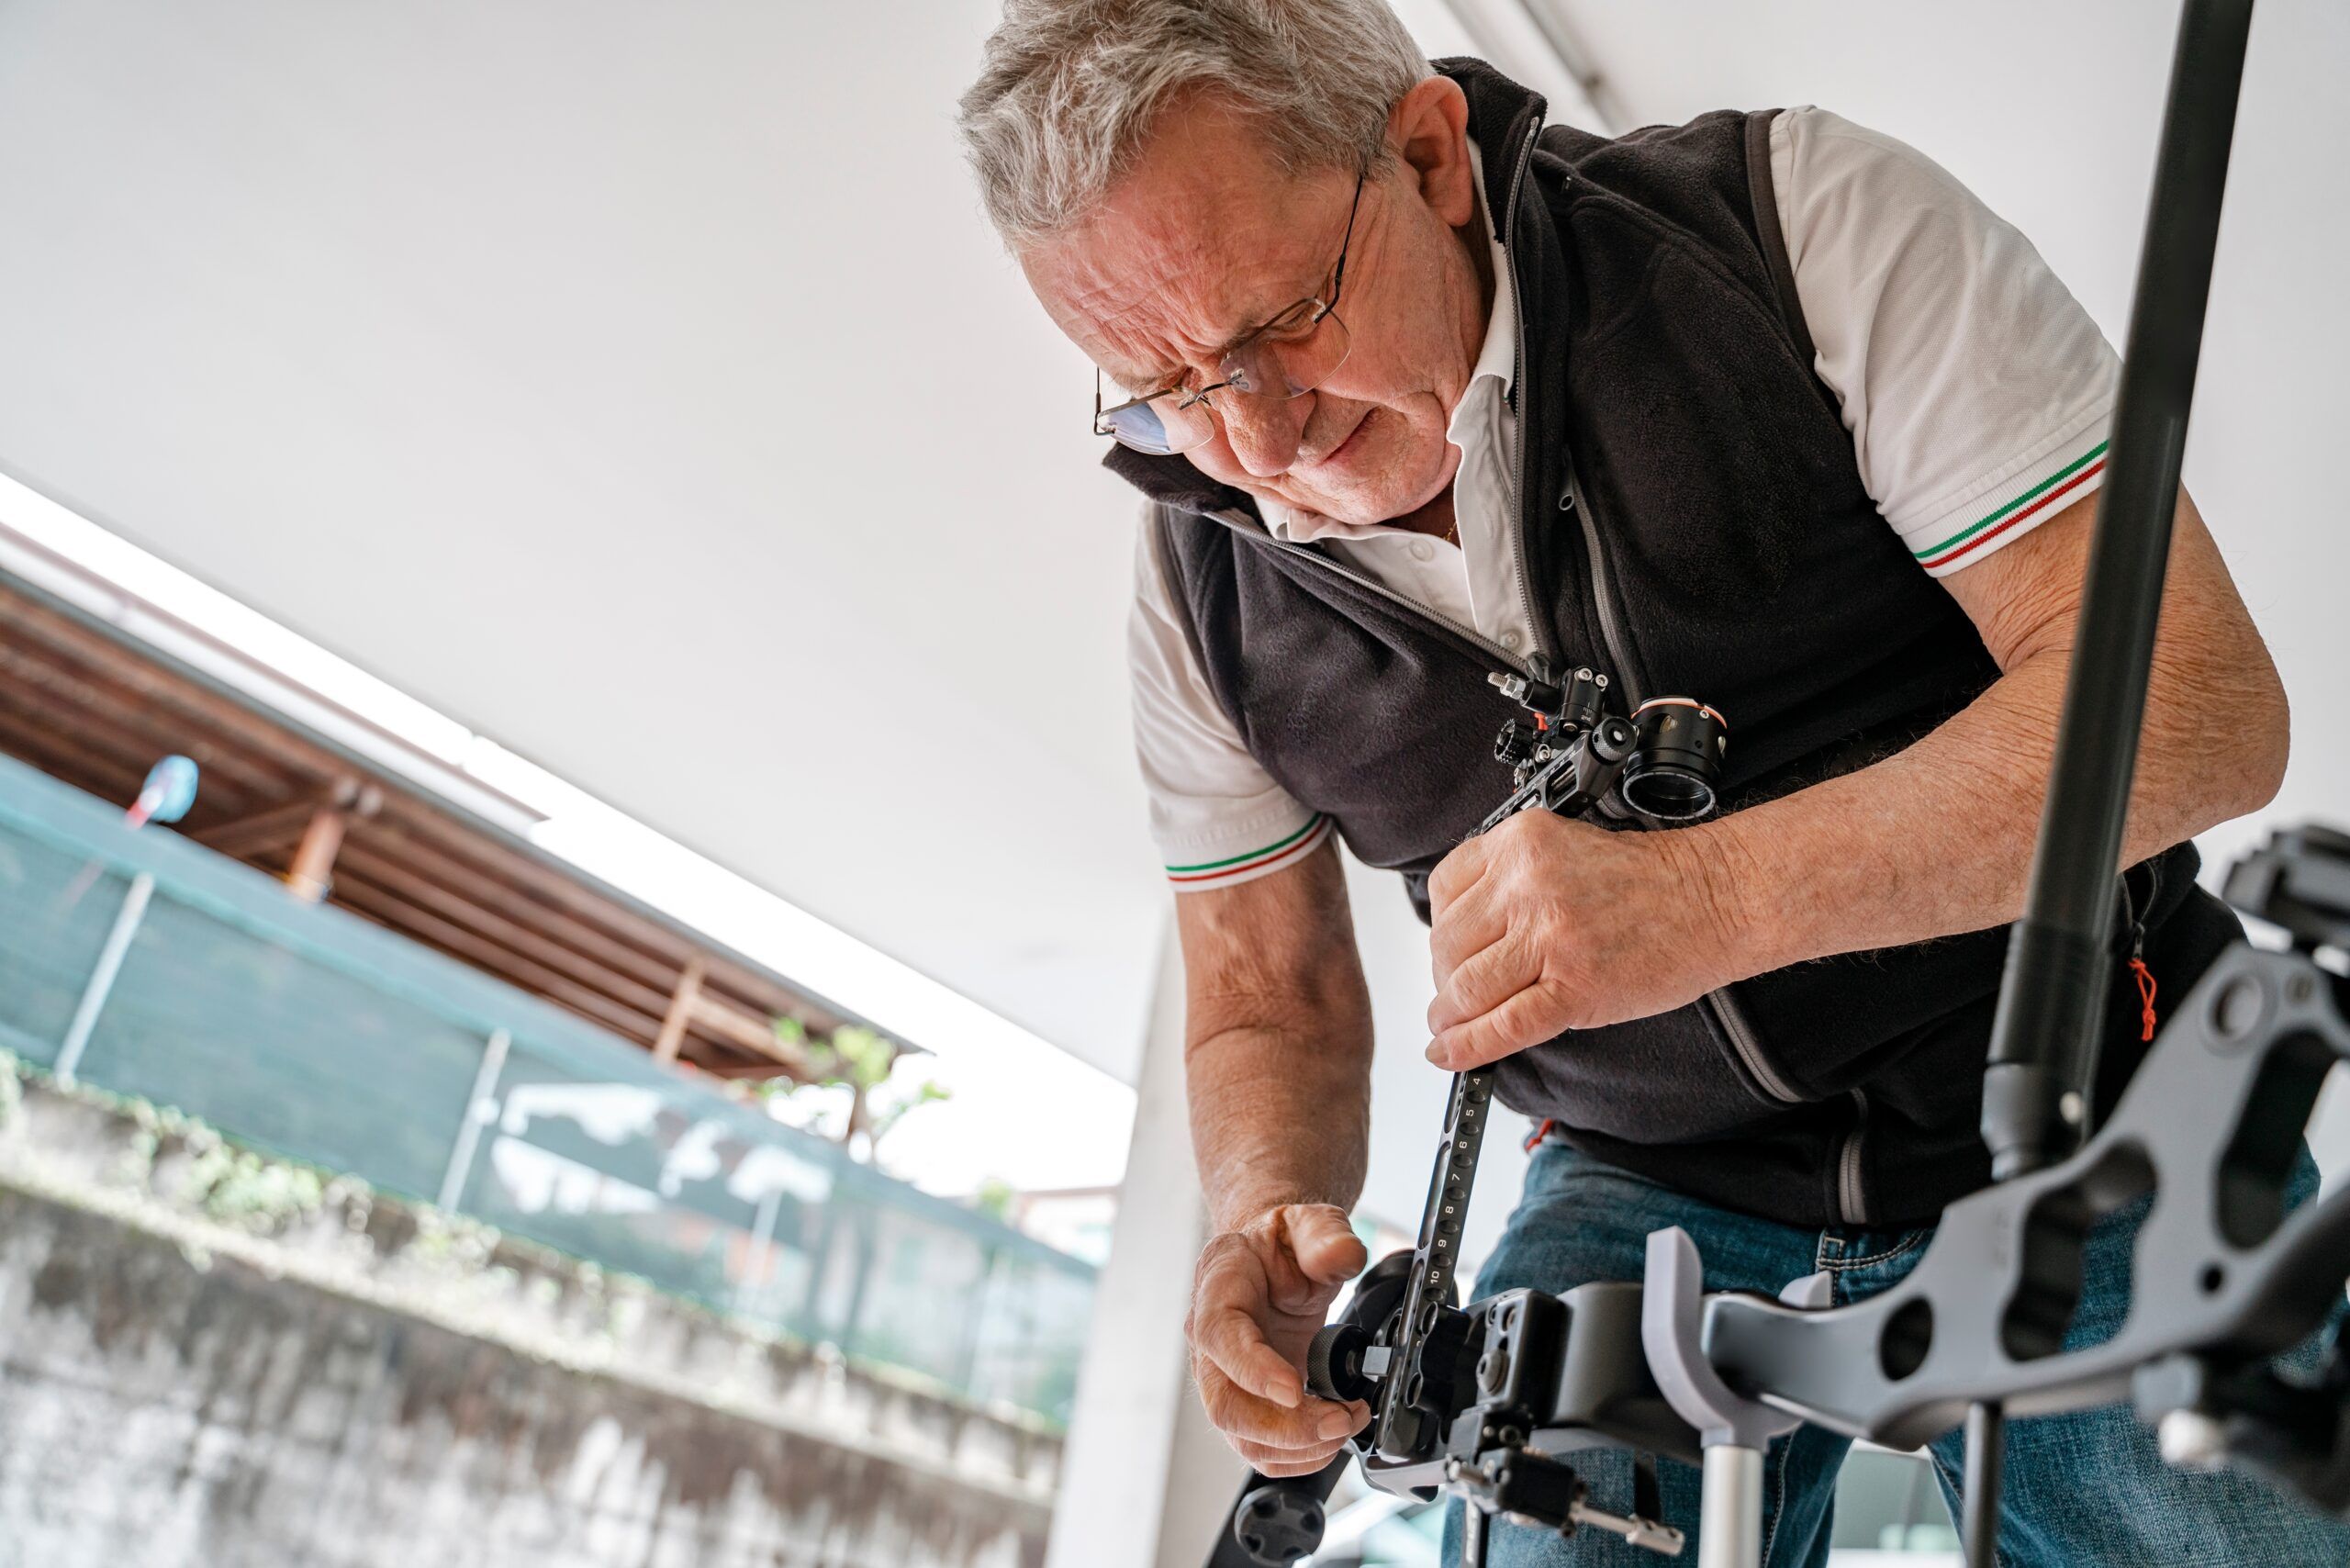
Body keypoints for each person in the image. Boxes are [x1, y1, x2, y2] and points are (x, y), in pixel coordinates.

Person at [960, 3, 2345, 1562]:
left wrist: (1711, 898)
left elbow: (2194, 703)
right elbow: (1265, 992)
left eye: (1284, 318)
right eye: (1160, 388)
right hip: (1638, 1184)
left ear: (1426, 160)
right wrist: (1260, 1210)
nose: (1254, 436)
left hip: (2089, 1108)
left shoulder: (1793, 229)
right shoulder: (1193, 588)